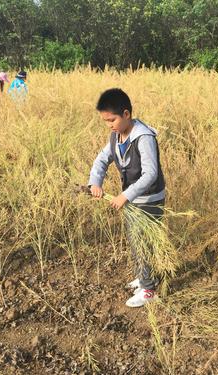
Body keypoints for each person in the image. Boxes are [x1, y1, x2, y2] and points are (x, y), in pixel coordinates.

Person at [88, 88, 166, 307]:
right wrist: (95, 181)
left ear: (126, 114)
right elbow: (102, 160)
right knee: (135, 240)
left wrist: (125, 195)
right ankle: (145, 277)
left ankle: (149, 291)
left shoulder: (143, 137)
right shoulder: (116, 135)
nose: (109, 125)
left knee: (143, 243)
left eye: (112, 120)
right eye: (105, 121)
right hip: (133, 200)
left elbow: (150, 174)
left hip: (149, 199)